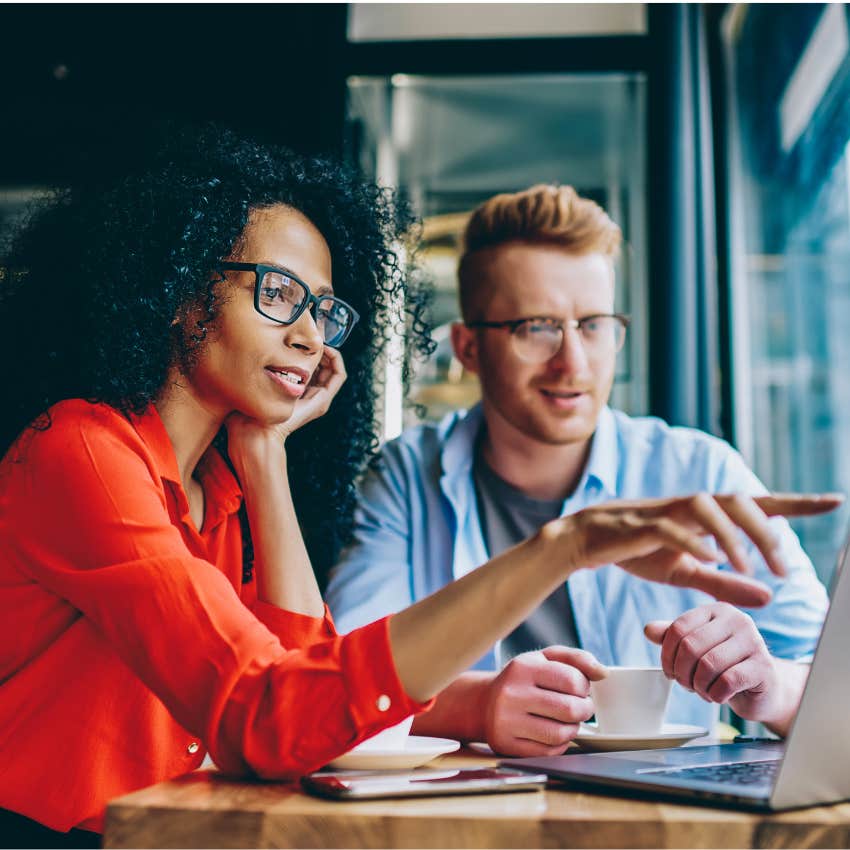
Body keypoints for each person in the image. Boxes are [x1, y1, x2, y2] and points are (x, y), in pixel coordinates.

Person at [0, 135, 837, 847]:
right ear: (180, 291)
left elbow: (299, 681)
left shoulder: (216, 482)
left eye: (325, 310)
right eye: (280, 293)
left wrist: (264, 455)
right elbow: (278, 713)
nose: (306, 332)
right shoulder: (83, 452)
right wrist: (565, 547)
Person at [326, 184, 835, 757]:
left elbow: (835, 690)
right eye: (536, 327)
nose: (574, 361)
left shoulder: (699, 471)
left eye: (593, 325)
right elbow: (339, 681)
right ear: (468, 348)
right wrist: (478, 704)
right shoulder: (406, 476)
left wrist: (768, 687)